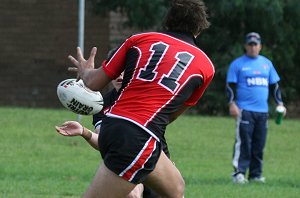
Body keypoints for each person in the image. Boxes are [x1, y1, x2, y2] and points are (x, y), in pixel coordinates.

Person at [56, 0, 214, 197]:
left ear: (168, 22)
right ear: (199, 29)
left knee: (176, 189)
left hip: (116, 126)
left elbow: (93, 83)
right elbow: (171, 115)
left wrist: (86, 71)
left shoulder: (139, 39)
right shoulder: (206, 66)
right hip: (139, 134)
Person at [57, 72, 170, 198]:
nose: (120, 76)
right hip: (125, 159)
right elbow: (103, 142)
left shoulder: (143, 96)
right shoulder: (101, 103)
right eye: (117, 72)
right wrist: (84, 131)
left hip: (154, 160)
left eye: (125, 71)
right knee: (132, 195)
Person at [226, 32, 287, 184]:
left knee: (259, 144)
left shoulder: (267, 64)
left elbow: (275, 86)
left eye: (255, 45)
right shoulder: (237, 64)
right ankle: (239, 173)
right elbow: (230, 86)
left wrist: (280, 103)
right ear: (246, 46)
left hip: (263, 112)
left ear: (260, 47)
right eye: (250, 44)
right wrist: (232, 103)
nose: (253, 47)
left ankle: (255, 174)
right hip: (244, 110)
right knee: (244, 143)